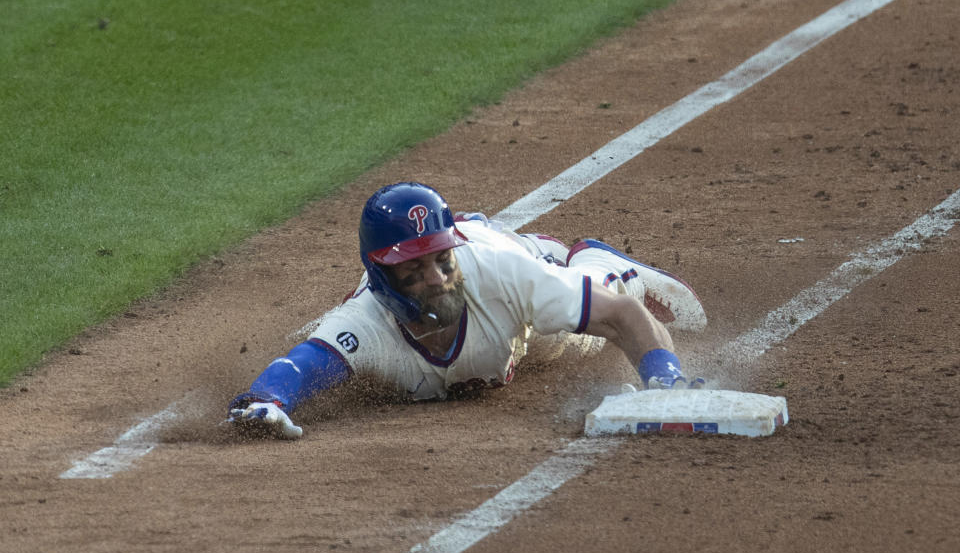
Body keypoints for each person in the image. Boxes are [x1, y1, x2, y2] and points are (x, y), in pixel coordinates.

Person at [228, 182, 707, 439]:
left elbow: (622, 315)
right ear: (382, 278)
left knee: (587, 322)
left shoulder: (500, 274)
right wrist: (266, 401)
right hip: (486, 276)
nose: (435, 278)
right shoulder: (367, 322)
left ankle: (595, 255)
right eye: (413, 270)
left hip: (516, 273)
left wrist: (665, 382)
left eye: (441, 260)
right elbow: (303, 363)